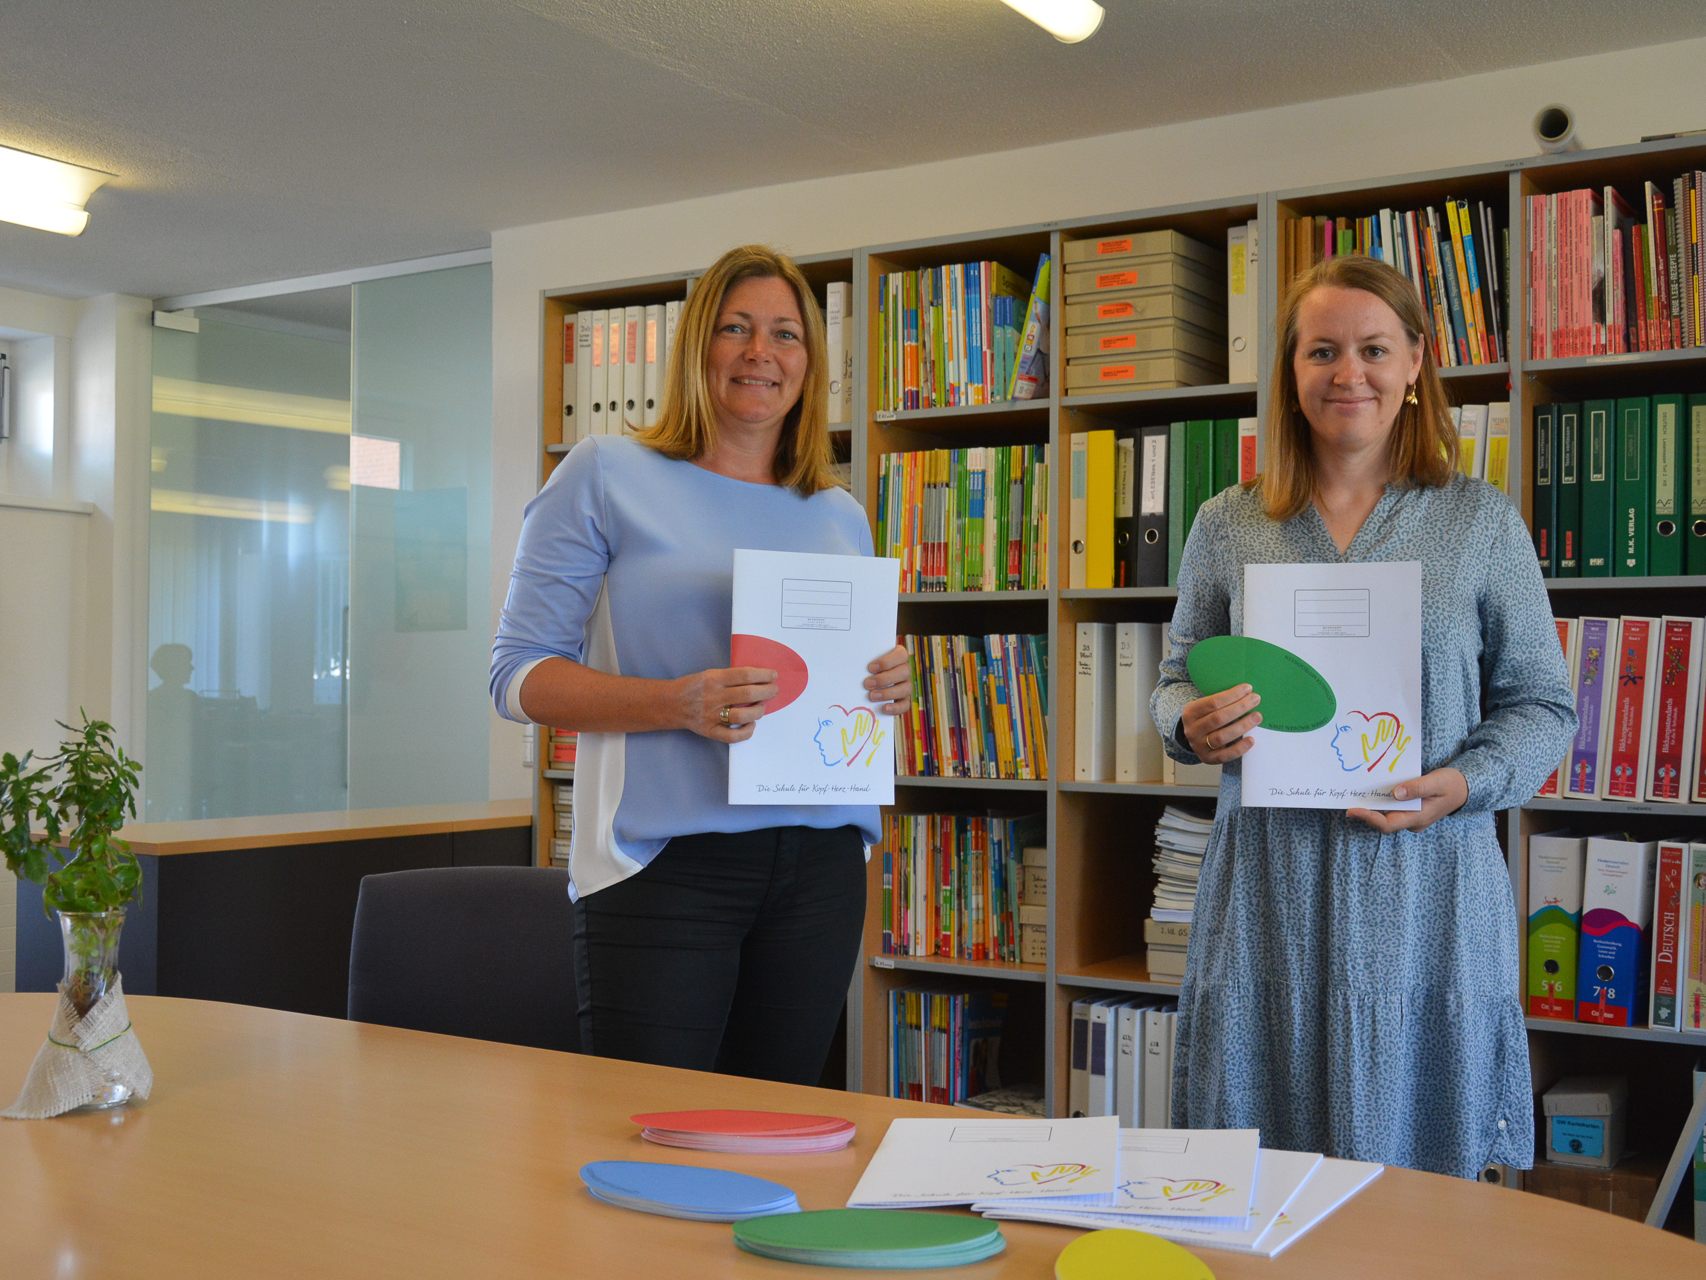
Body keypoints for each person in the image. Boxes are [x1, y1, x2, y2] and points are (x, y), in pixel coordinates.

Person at [1150, 254, 1576, 1179]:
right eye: (1324, 351)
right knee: (1257, 1176)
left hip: (1428, 889)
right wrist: (1191, 725)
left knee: (1424, 1187)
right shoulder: (1228, 523)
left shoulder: (1478, 523)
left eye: (1375, 349)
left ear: (1416, 362)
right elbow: (1175, 680)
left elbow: (1542, 706)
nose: (1350, 374)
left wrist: (1463, 783)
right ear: (1291, 372)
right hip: (1268, 892)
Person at [490, 244, 910, 1086]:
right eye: (737, 328)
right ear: (697, 350)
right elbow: (518, 676)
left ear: (811, 361)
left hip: (822, 865)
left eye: (787, 334)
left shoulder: (840, 512)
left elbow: (840, 686)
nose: (763, 352)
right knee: (646, 1134)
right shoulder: (606, 474)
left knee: (774, 1134)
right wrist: (675, 704)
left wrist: (885, 687)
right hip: (666, 864)